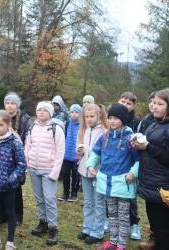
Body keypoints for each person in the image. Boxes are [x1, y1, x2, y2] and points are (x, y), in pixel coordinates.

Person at [86, 103, 140, 250]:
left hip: (122, 184)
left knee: (123, 217)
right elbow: (95, 153)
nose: (112, 121)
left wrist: (133, 173)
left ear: (123, 119)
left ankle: (121, 245)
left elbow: (138, 160)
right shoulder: (104, 137)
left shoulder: (131, 139)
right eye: (110, 118)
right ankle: (113, 241)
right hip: (106, 185)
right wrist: (90, 165)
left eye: (116, 118)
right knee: (112, 215)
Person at [0, 110, 26, 250]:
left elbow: (21, 164)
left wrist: (12, 179)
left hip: (9, 186)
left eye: (0, 125)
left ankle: (10, 242)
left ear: (8, 125)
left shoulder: (15, 143)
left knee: (9, 212)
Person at [25, 101, 65, 246]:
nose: (41, 112)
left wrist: (55, 172)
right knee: (39, 198)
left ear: (51, 113)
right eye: (39, 109)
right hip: (34, 168)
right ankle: (43, 222)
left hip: (48, 170)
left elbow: (60, 152)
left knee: (49, 199)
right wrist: (27, 163)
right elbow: (27, 146)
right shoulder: (32, 127)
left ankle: (53, 228)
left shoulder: (56, 129)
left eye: (45, 110)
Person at [133, 88, 169, 250]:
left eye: (160, 104)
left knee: (163, 225)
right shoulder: (154, 122)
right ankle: (155, 243)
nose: (154, 106)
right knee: (155, 221)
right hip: (151, 182)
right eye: (153, 103)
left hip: (164, 185)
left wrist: (147, 146)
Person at [76, 103, 108, 245]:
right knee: (88, 202)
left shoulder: (104, 131)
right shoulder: (84, 130)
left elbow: (106, 153)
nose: (89, 119)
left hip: (98, 173)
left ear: (99, 115)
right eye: (86, 117)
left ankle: (97, 231)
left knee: (99, 203)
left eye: (91, 116)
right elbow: (79, 150)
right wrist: (79, 152)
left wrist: (97, 167)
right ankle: (87, 228)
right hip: (84, 171)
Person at [3, 92, 33, 225]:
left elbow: (28, 140)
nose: (10, 106)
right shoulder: (0, 117)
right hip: (3, 156)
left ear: (17, 105)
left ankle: (17, 215)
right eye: (7, 103)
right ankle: (4, 214)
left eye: (12, 103)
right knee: (3, 186)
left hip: (18, 157)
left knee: (16, 187)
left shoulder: (25, 119)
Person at [117, 91, 142, 240]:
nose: (125, 105)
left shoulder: (137, 122)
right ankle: (111, 219)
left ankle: (134, 224)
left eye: (129, 103)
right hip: (114, 162)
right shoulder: (112, 117)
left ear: (133, 106)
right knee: (112, 194)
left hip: (130, 163)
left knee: (130, 196)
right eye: (123, 101)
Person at [58, 104, 81, 202]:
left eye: (76, 112)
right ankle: (65, 193)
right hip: (66, 155)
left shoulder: (82, 125)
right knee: (65, 174)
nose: (74, 114)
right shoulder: (66, 124)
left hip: (77, 156)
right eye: (72, 112)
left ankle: (74, 194)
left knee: (75, 176)